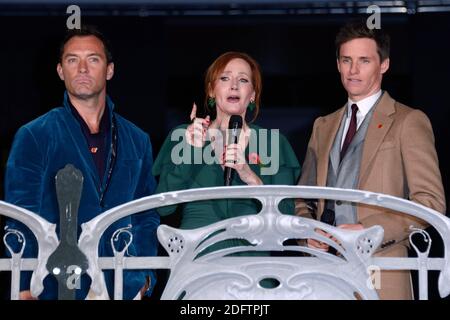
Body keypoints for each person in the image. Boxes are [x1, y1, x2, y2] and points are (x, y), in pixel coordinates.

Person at [4, 26, 160, 300]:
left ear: (109, 70)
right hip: (55, 286)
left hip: (122, 284)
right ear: (60, 71)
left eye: (93, 59)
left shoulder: (137, 139)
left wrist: (145, 277)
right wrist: (25, 287)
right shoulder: (35, 135)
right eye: (73, 60)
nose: (83, 68)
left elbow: (146, 215)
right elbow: (20, 215)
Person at [296, 20, 446, 299]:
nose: (353, 70)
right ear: (338, 64)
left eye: (364, 61)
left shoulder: (408, 121)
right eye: (346, 60)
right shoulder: (323, 125)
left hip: (384, 270)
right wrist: (308, 233)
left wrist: (369, 229)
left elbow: (430, 202)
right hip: (326, 275)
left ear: (384, 64)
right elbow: (303, 199)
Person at [153, 51, 300, 238]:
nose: (234, 86)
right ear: (211, 90)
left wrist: (250, 176)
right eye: (224, 78)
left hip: (252, 255)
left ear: (253, 95)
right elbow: (163, 209)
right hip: (197, 254)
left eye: (243, 80)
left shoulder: (272, 143)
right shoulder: (184, 136)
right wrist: (192, 152)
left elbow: (286, 216)